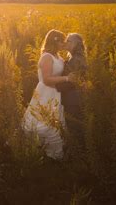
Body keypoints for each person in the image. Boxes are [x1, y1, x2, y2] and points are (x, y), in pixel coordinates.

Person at [22, 29, 75, 160]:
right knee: (42, 119)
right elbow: (46, 79)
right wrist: (67, 79)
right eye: (61, 41)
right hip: (45, 92)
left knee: (54, 120)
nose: (63, 44)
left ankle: (54, 153)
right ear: (54, 41)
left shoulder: (58, 56)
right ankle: (43, 151)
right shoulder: (46, 57)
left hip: (55, 92)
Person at [56, 33, 87, 147]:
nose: (65, 43)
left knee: (74, 127)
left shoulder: (77, 59)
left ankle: (78, 154)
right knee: (75, 126)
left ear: (76, 44)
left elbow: (71, 82)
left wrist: (54, 86)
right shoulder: (73, 58)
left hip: (73, 98)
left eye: (68, 41)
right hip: (73, 96)